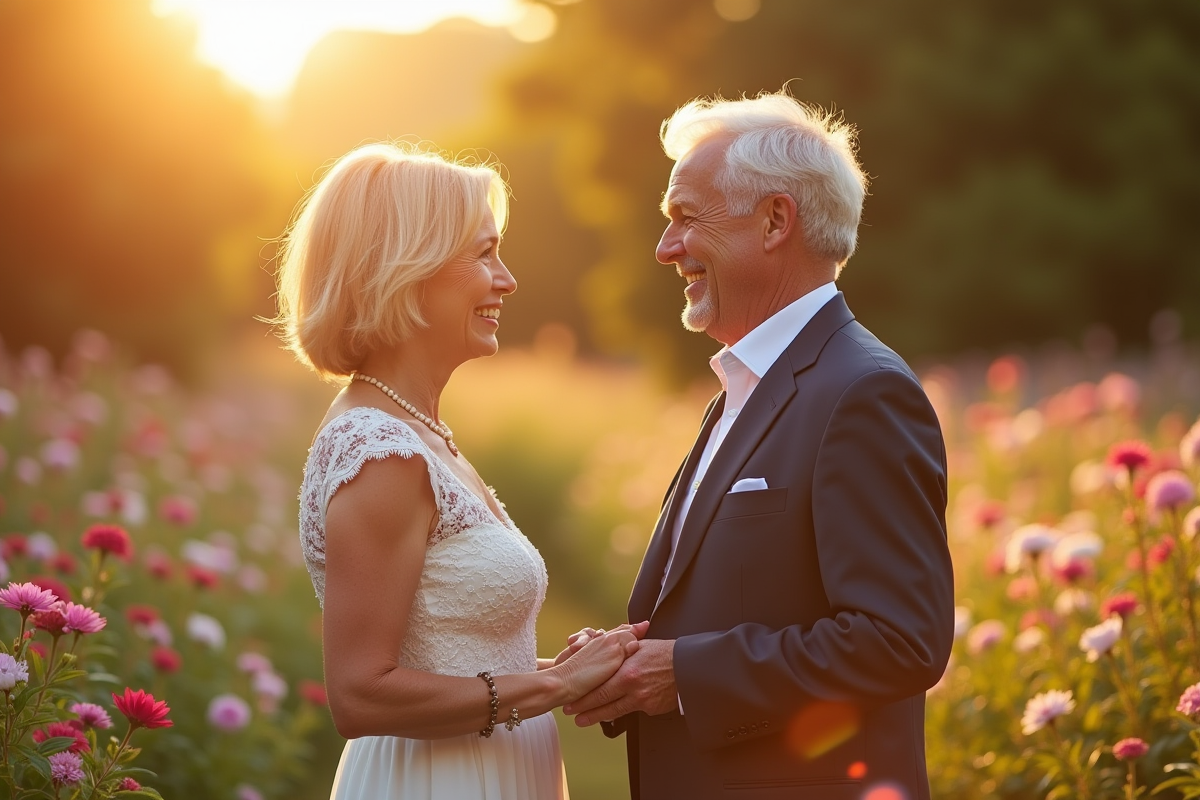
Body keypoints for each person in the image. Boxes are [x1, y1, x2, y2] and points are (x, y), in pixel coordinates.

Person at [563, 91, 956, 799]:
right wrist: (631, 661)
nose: (666, 248)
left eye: (687, 218)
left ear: (776, 221)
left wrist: (683, 673)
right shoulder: (747, 386)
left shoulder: (862, 393)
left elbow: (899, 640)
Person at [273, 142, 643, 800]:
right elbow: (361, 694)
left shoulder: (419, 432)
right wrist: (553, 686)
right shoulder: (382, 452)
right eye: (484, 253)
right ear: (407, 269)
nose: (507, 279)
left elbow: (452, 655)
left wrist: (575, 669)